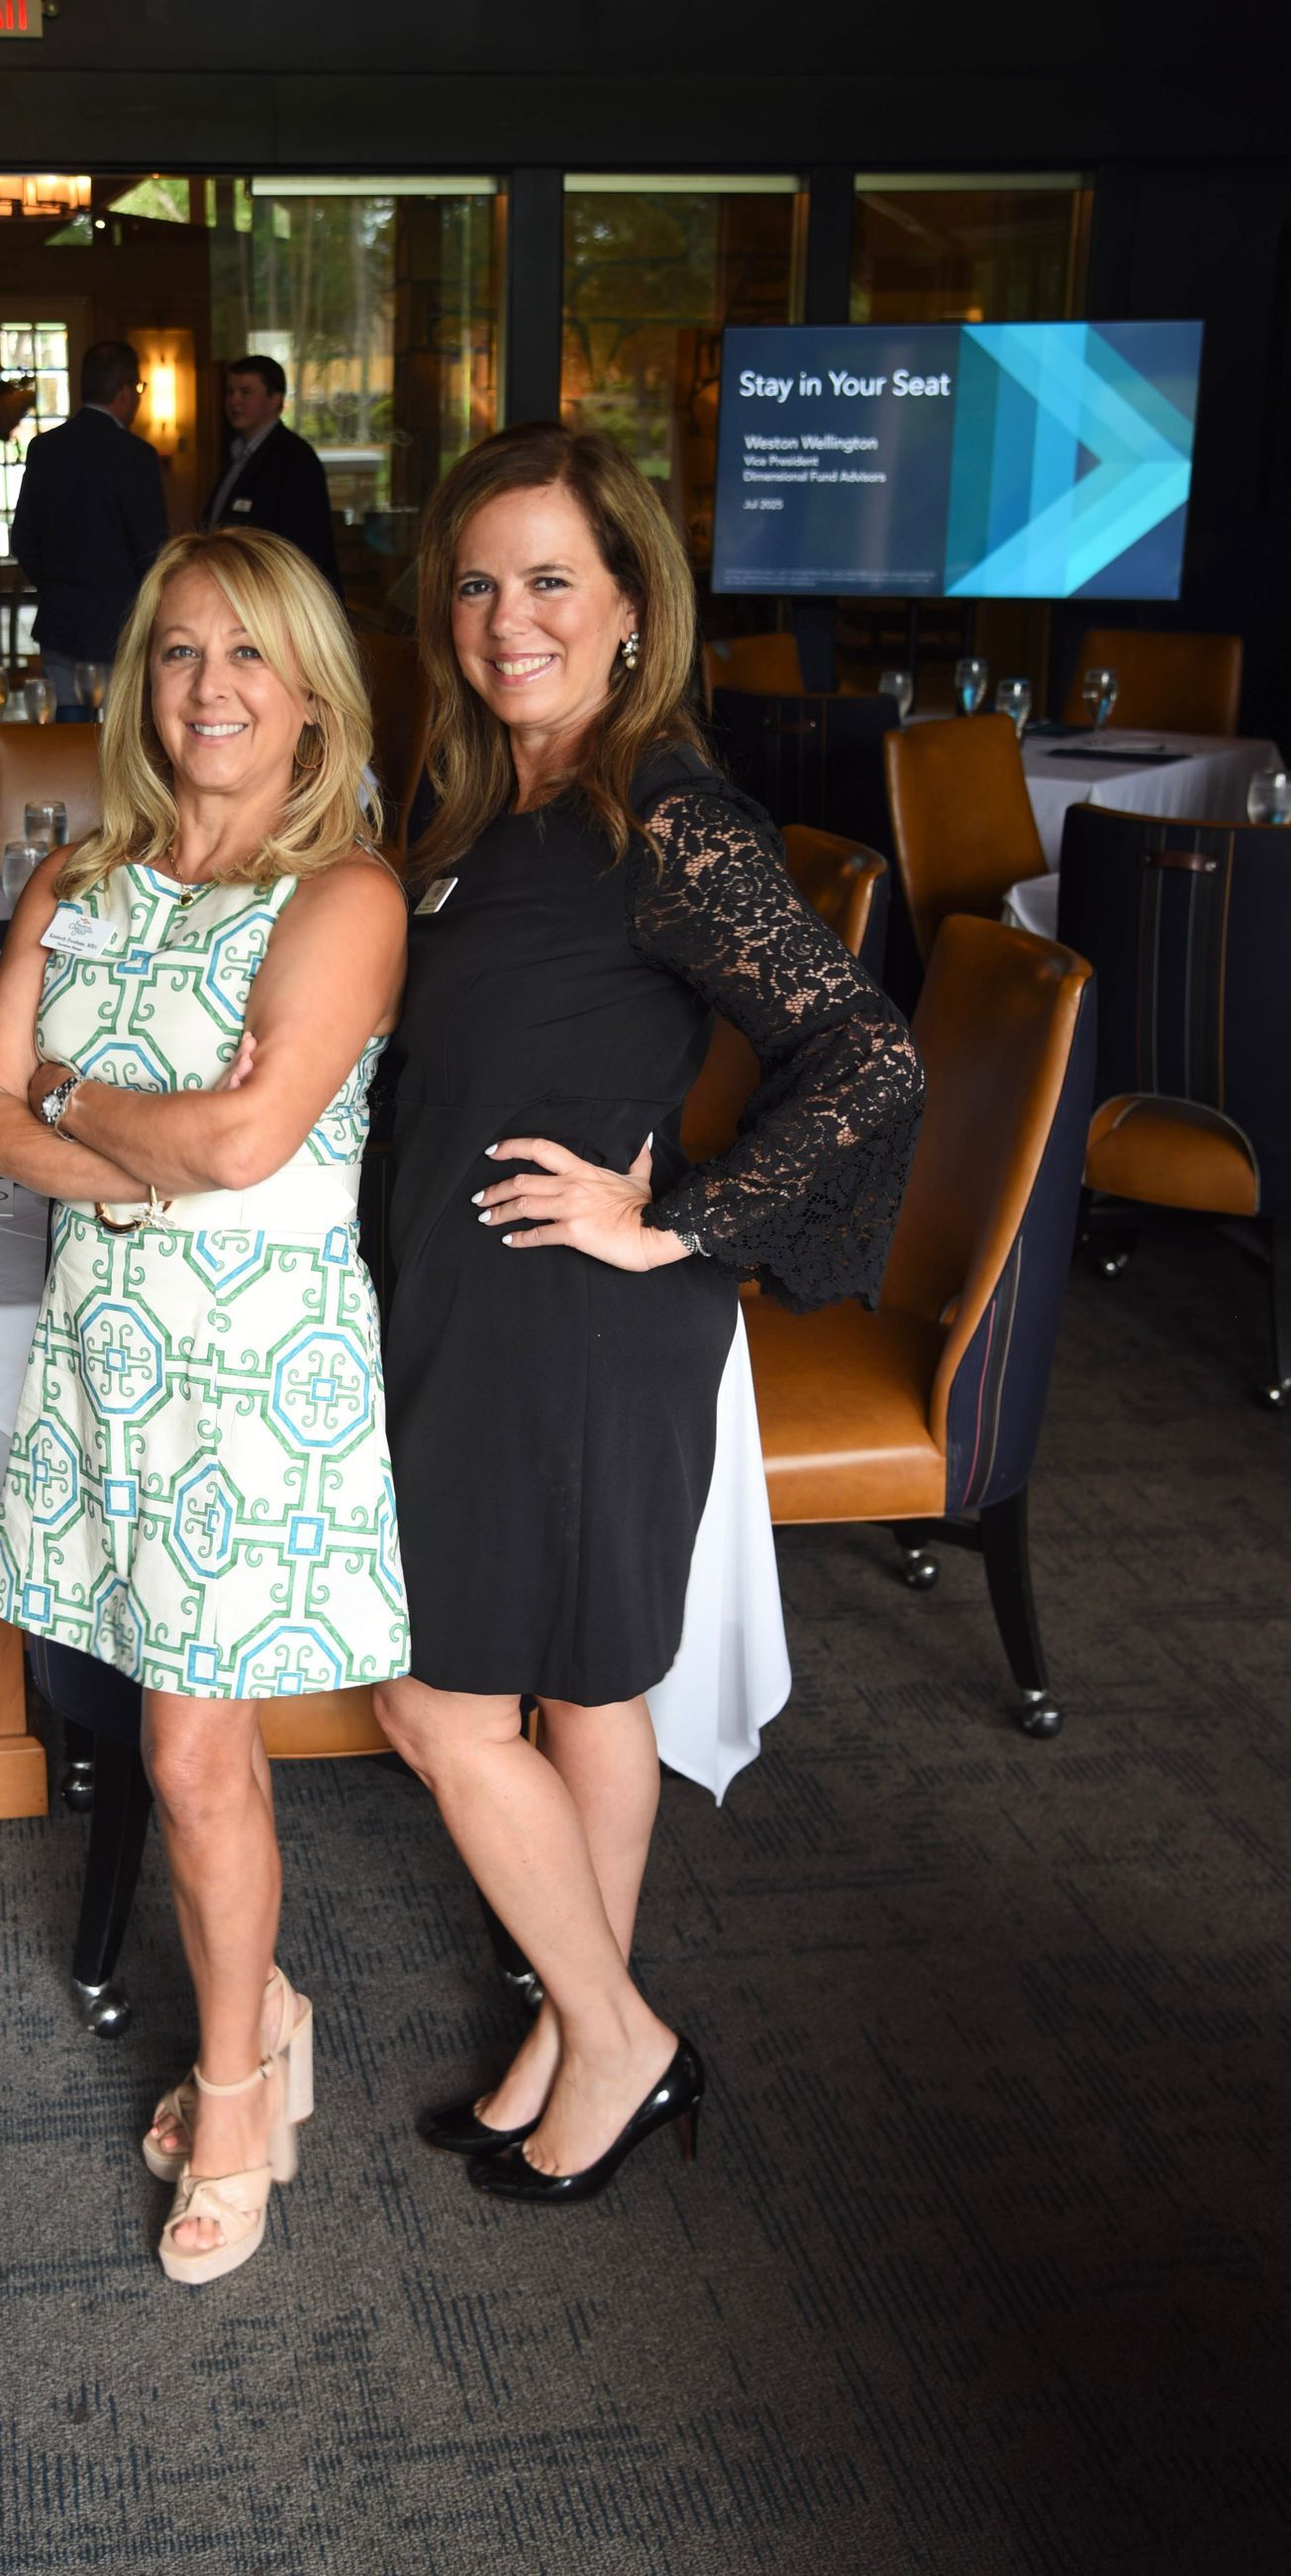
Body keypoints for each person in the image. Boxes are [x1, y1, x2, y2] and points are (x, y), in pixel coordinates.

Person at [371, 425, 925, 2208]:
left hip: (579, 1326)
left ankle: (620, 2035)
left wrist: (679, 1223)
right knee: (587, 1688)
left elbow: (871, 1051)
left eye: (550, 581)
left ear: (630, 610)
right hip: (476, 1305)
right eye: (478, 580)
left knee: (434, 1702)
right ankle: (572, 2022)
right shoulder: (481, 801)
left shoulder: (666, 812)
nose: (506, 617)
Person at [0, 526, 408, 2287]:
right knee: (160, 1722)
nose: (210, 688)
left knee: (185, 1747)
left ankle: (237, 2085)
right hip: (100, 1359)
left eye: (249, 656)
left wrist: (88, 1104)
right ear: (139, 680)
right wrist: (123, 1123)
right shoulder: (77, 879)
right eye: (178, 653)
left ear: (314, 694)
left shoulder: (347, 895)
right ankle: (265, 2001)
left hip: (251, 1379)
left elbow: (247, 1142)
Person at [11, 340, 168, 713]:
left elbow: (22, 538)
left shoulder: (44, 448)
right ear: (125, 391)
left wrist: (57, 586)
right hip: (121, 625)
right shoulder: (136, 456)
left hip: (60, 619)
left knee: (69, 736)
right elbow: (152, 551)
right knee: (119, 738)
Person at [201, 354, 342, 594]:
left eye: (245, 392)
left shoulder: (295, 459)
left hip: (278, 598)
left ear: (275, 399)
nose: (234, 401)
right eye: (230, 392)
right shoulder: (236, 453)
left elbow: (304, 548)